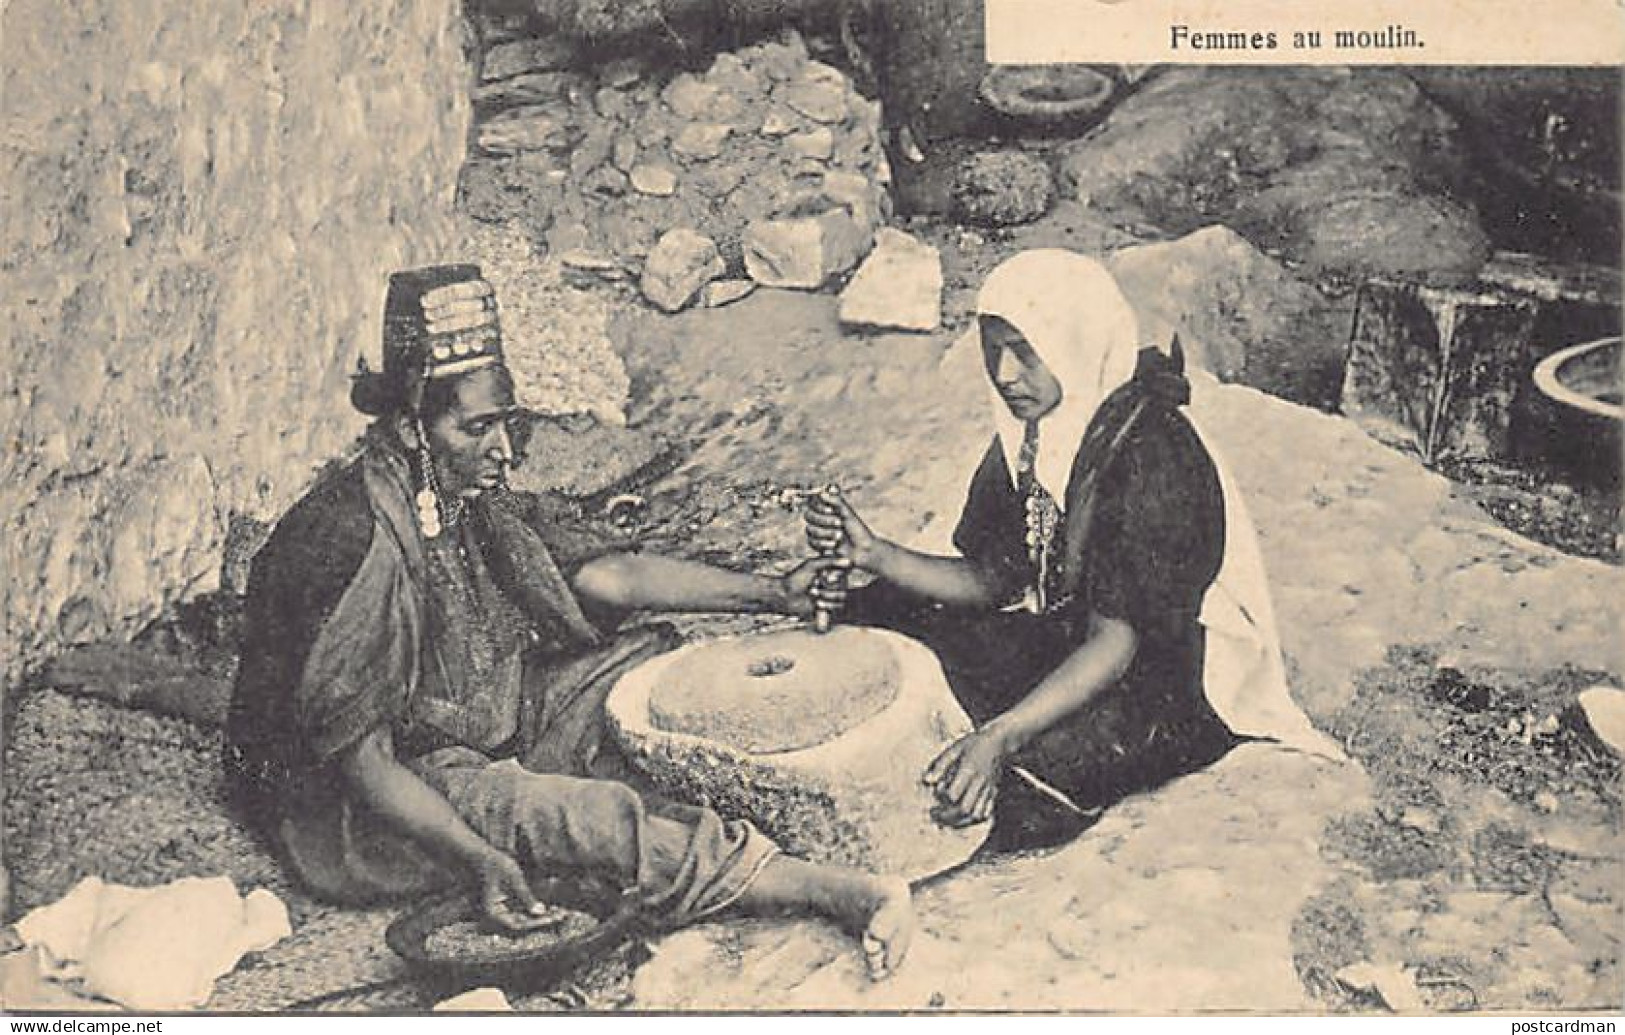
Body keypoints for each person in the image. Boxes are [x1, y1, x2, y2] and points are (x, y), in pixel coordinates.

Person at [224, 264, 910, 978]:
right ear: (409, 426)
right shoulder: (348, 538)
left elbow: (612, 573)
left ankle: (741, 829)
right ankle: (841, 891)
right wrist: (481, 857)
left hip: (482, 718)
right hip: (373, 799)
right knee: (571, 816)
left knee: (649, 669)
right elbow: (364, 765)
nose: (504, 448)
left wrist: (777, 594)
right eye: (478, 427)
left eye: (507, 423)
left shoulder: (461, 489)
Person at [806, 249, 1343, 850]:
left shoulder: (1149, 451)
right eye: (994, 348)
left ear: (1073, 341)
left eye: (1025, 350)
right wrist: (877, 556)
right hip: (1074, 634)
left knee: (1020, 789)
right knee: (882, 604)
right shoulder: (1031, 433)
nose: (1006, 373)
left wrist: (1002, 736)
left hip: (1166, 673)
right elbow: (994, 580)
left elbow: (1118, 642)